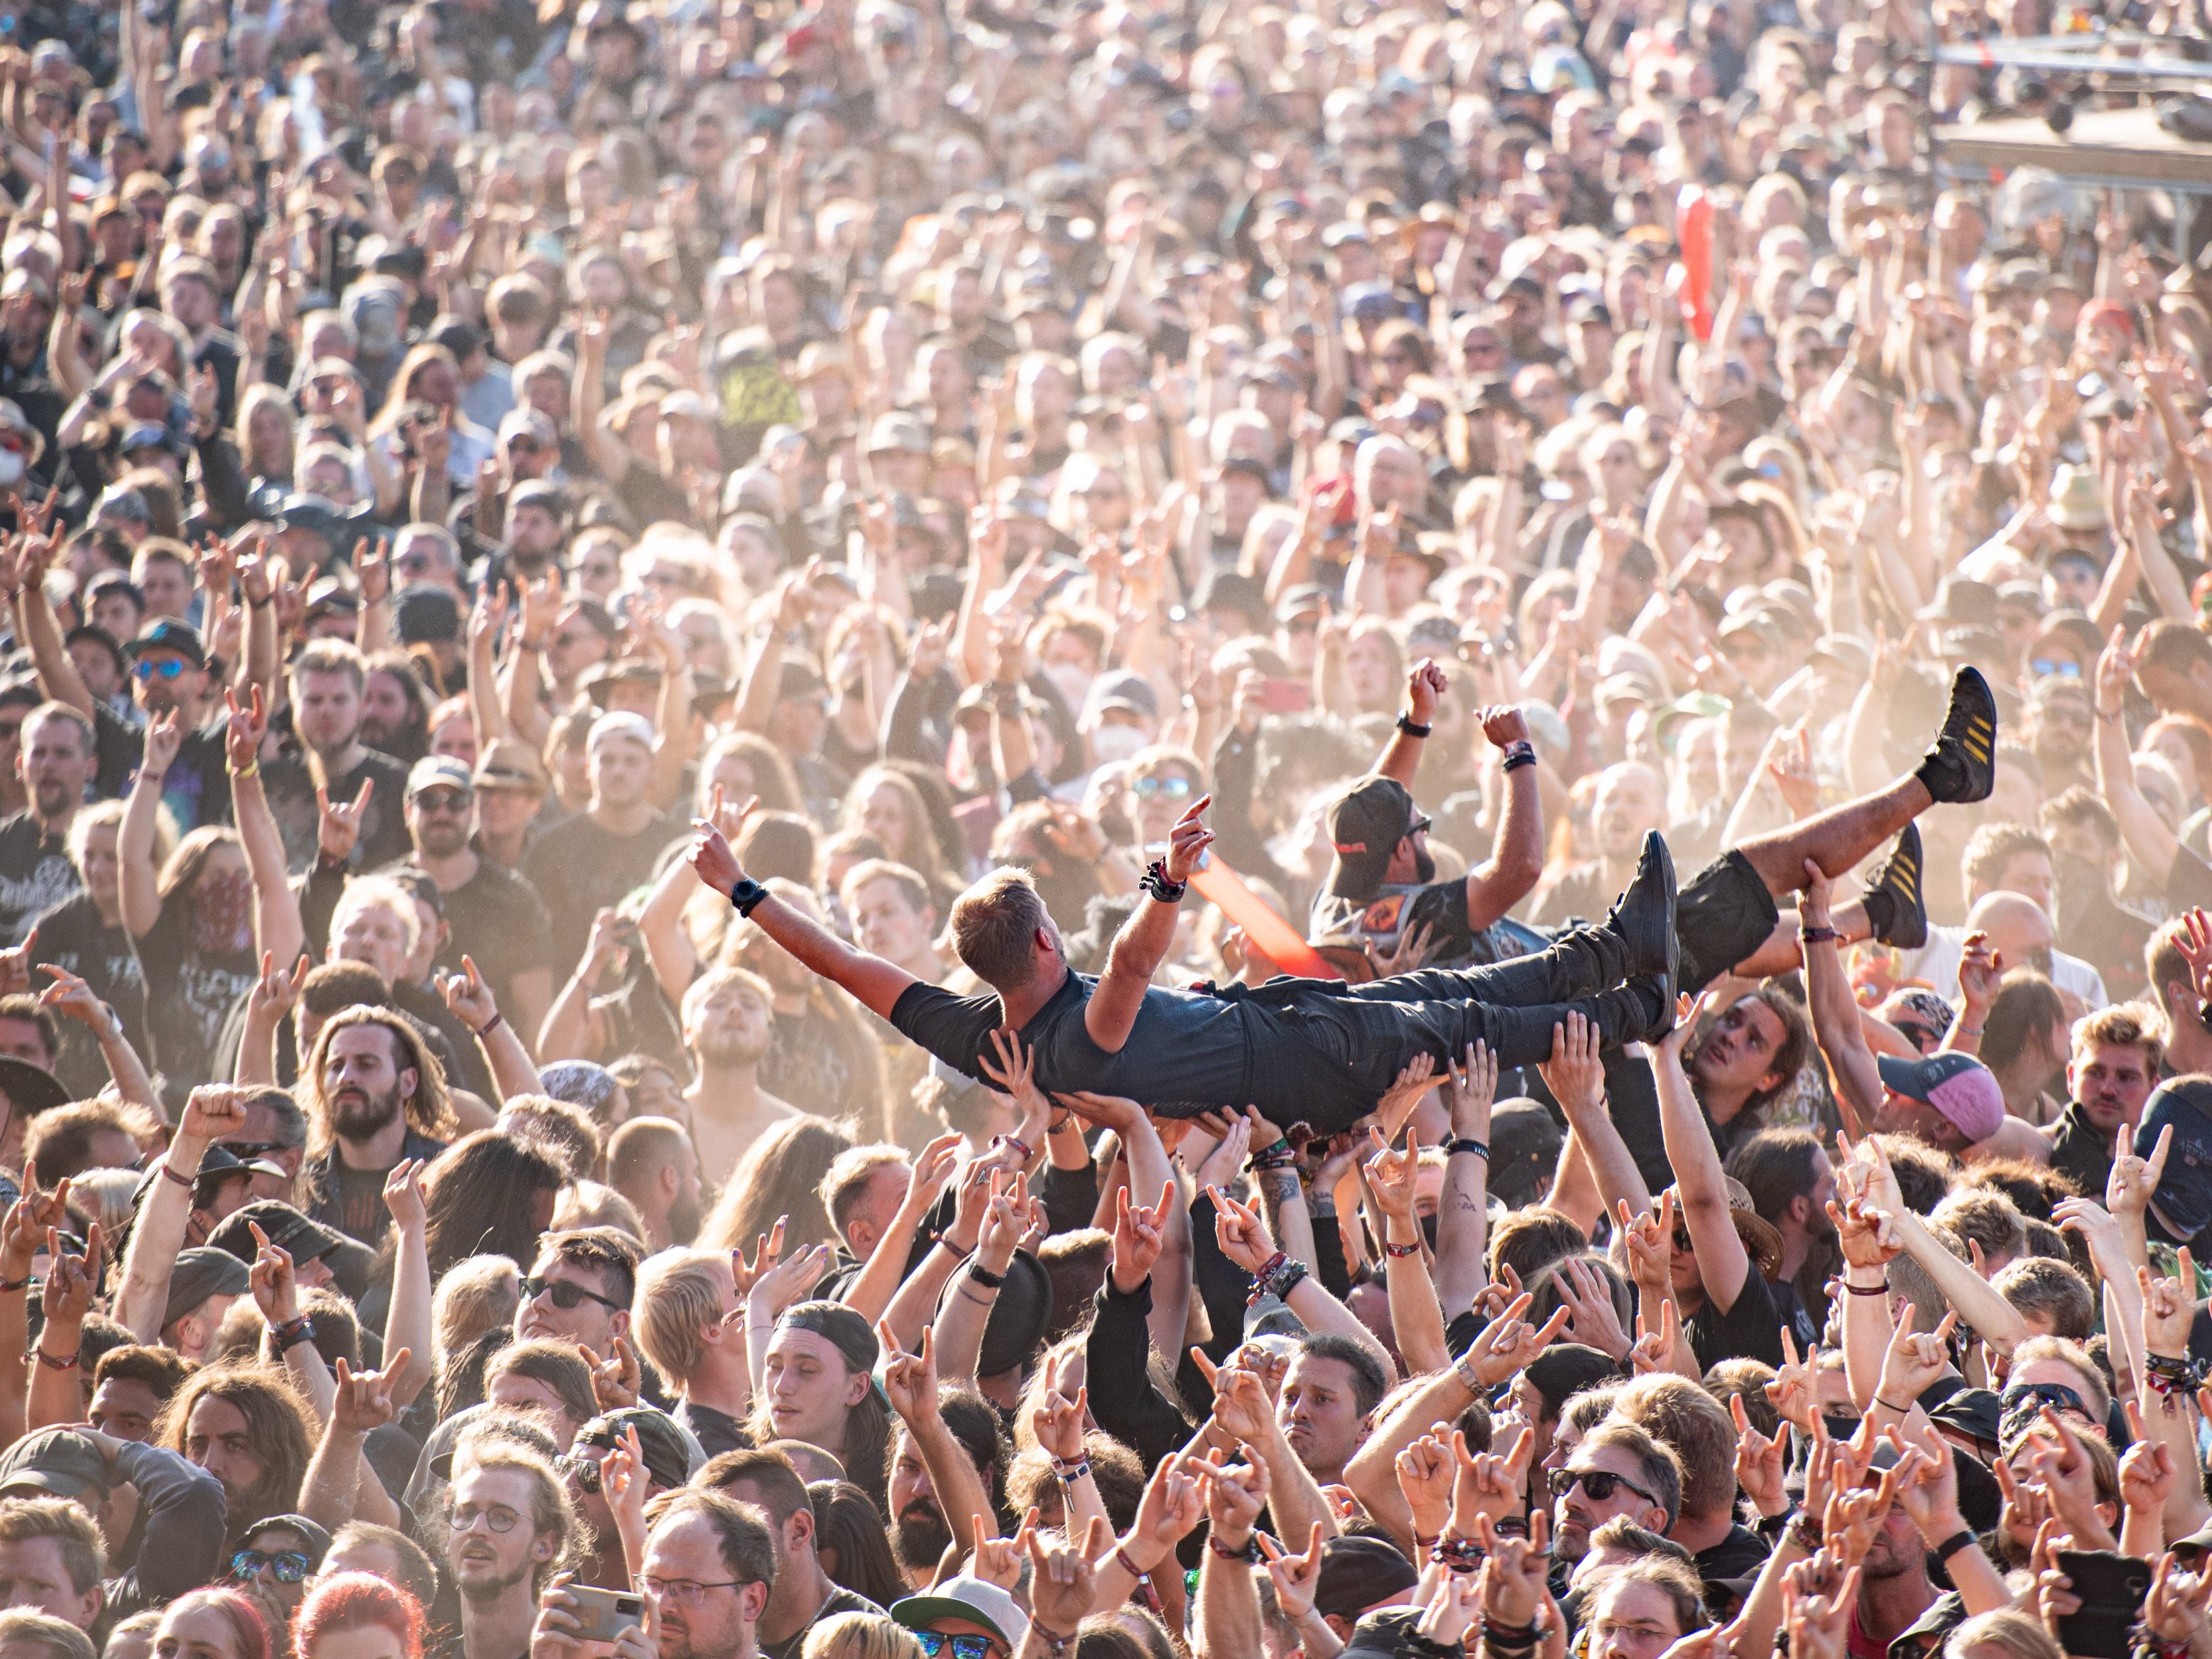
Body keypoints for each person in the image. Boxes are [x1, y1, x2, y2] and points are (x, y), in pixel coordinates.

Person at [687, 805, 1682, 1136]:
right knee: (1478, 1023)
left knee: (1453, 993)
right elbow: (1127, 967)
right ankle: (1646, 994)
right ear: (1042, 943)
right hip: (1305, 1057)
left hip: (1294, 1038)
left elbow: (846, 962)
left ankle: (1621, 949)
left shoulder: (975, 1035)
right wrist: (1167, 882)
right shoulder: (1077, 1030)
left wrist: (742, 891)